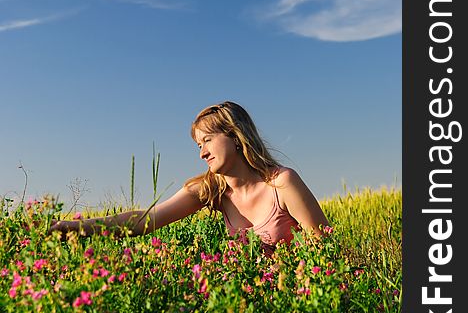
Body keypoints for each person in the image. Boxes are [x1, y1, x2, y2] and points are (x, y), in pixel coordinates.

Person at [50, 101, 329, 256]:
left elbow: (325, 250)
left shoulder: (282, 183)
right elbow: (145, 220)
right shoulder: (211, 190)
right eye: (198, 145)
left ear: (235, 136)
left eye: (207, 141)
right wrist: (75, 227)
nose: (202, 153)